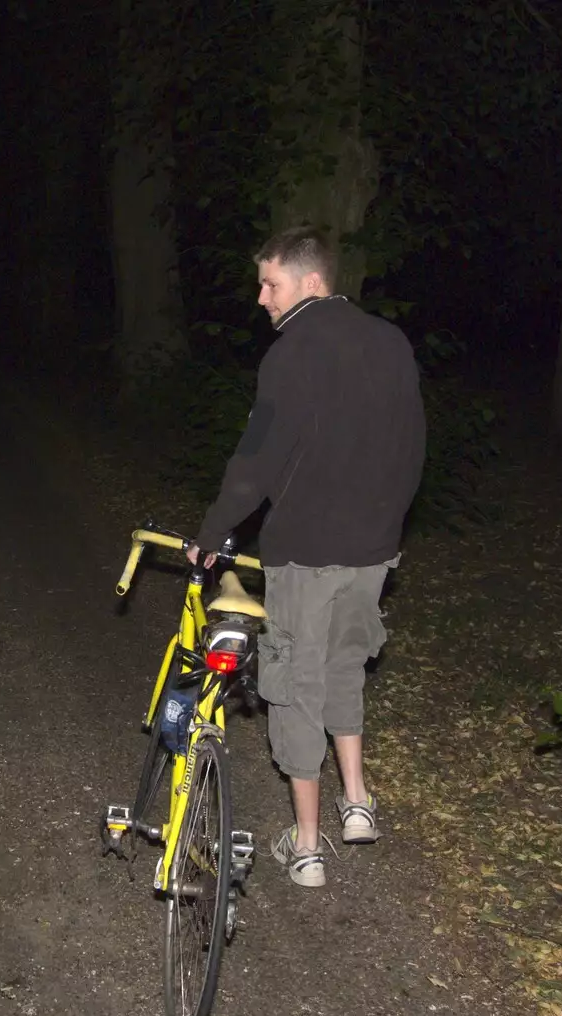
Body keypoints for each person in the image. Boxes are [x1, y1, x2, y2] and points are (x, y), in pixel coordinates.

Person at [188, 226, 426, 889]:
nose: (261, 298)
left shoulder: (291, 353)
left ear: (310, 282)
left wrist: (213, 531)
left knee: (294, 685)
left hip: (307, 553)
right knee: (344, 664)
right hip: (373, 550)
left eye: (271, 283)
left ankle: (308, 844)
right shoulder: (391, 342)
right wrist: (388, 524)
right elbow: (414, 447)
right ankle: (357, 802)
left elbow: (257, 456)